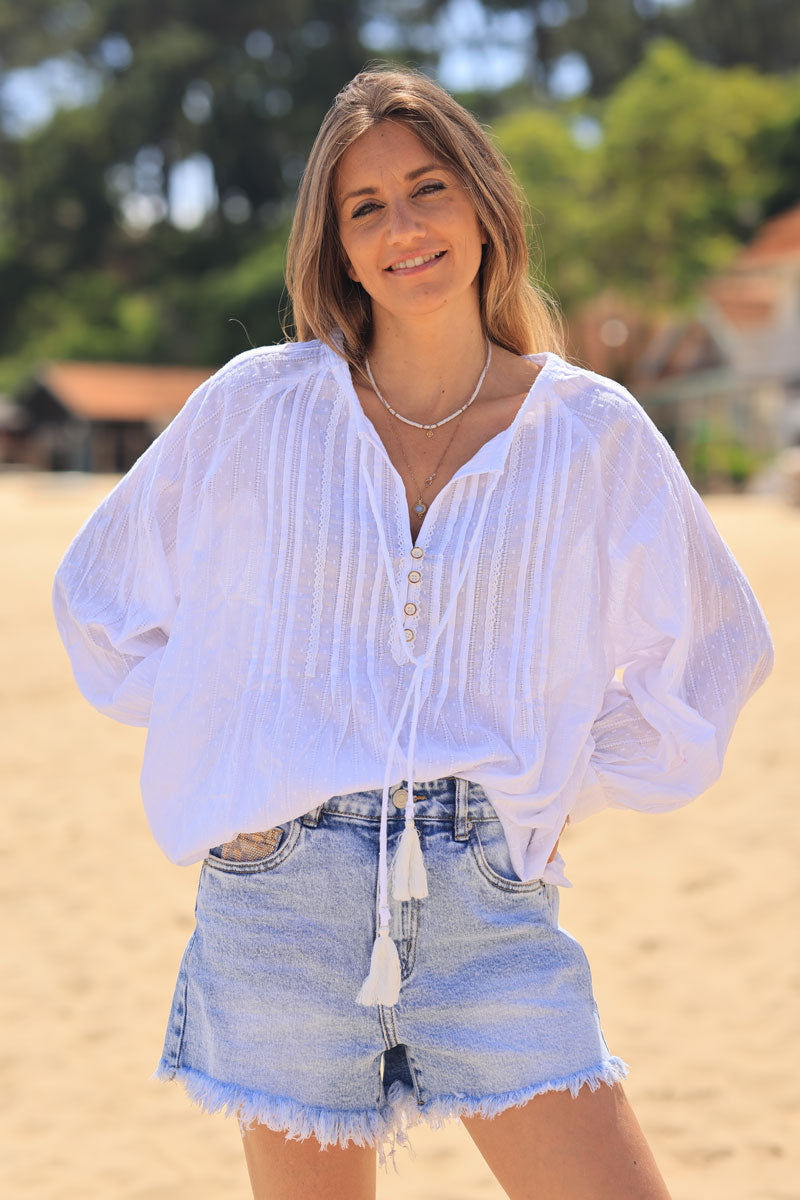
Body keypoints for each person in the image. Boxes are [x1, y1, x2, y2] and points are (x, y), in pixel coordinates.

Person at [52, 66, 774, 1200]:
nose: (404, 228)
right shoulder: (260, 406)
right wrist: (249, 733)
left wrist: (557, 788)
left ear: (484, 207)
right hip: (279, 897)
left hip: (486, 894)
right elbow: (99, 599)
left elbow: (716, 649)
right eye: (366, 207)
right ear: (337, 248)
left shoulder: (588, 431)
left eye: (427, 187)